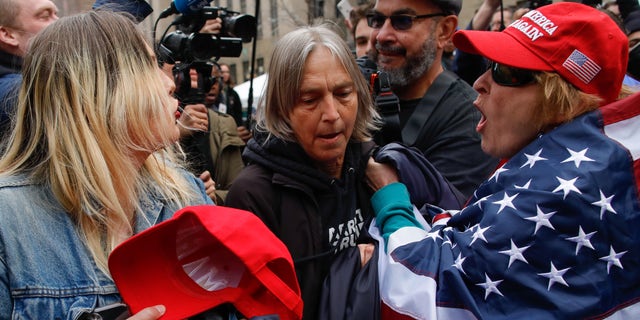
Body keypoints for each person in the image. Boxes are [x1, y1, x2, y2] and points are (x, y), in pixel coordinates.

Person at [366, 3, 640, 318]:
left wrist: (391, 197)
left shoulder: (558, 190)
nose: (479, 83)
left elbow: (422, 291)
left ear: (561, 97)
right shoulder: (572, 164)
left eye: (505, 71)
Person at [0, 10, 214, 319]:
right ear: (98, 92)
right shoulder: (9, 220)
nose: (169, 83)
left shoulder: (186, 195)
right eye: (147, 65)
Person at [225, 24, 381, 320]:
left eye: (343, 93)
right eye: (310, 100)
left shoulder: (373, 167)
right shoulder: (253, 196)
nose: (332, 114)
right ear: (281, 108)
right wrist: (350, 265)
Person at [367, 0, 499, 199]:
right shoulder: (353, 94)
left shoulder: (470, 119)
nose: (382, 35)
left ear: (444, 31)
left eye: (402, 21)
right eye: (377, 20)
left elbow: (434, 218)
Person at [162, 61, 245, 205]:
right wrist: (177, 133)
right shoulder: (157, 127)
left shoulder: (223, 124)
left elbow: (240, 189)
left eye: (201, 77)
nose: (194, 83)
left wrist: (213, 197)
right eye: (182, 75)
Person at [0, 0, 58, 132]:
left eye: (56, 14)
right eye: (45, 16)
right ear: (8, 35)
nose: (58, 22)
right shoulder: (12, 93)